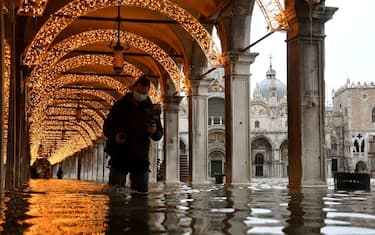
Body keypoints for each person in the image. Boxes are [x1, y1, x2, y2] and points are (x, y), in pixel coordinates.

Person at [103, 75, 163, 192]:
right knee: (115, 194)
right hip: (120, 155)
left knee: (141, 196)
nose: (141, 95)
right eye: (139, 91)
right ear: (134, 88)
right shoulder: (120, 106)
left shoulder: (151, 109)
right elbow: (107, 127)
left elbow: (159, 135)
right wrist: (115, 136)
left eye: (144, 93)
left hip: (140, 158)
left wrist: (154, 131)